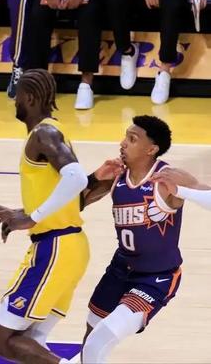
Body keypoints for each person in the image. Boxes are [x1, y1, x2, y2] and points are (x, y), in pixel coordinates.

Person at [0, 69, 93, 363]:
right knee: (31, 342)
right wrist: (22, 213)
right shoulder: (54, 130)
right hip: (69, 247)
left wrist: (33, 218)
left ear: (29, 98)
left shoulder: (44, 134)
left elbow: (77, 178)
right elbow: (72, 196)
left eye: (17, 96)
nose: (14, 102)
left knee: (2, 341)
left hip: (54, 248)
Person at [79, 116, 186, 363]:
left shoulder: (167, 179)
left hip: (156, 278)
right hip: (119, 269)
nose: (123, 143)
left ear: (151, 149)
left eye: (132, 139)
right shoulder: (117, 176)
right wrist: (95, 176)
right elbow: (72, 204)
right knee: (91, 334)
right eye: (125, 137)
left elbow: (202, 189)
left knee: (101, 338)